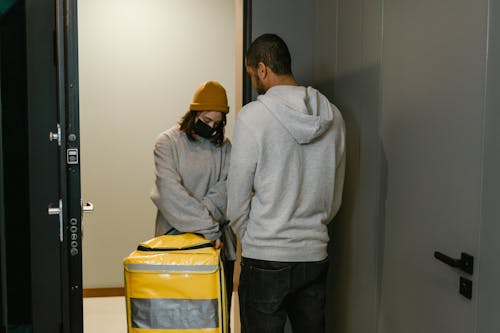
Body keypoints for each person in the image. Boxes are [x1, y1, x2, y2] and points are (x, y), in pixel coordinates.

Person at [227, 34, 346, 333]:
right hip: (314, 254)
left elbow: (237, 199)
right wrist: (311, 228)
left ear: (263, 69)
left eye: (252, 74)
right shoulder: (334, 117)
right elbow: (334, 197)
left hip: (266, 255)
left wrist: (255, 234)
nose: (254, 81)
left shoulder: (253, 117)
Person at [150, 80, 236, 309]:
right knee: (175, 321)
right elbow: (169, 194)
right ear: (194, 113)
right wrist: (207, 227)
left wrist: (194, 219)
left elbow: (227, 193)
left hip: (216, 249)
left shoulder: (226, 148)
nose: (211, 127)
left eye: (217, 123)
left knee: (215, 322)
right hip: (174, 247)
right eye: (207, 120)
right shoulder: (167, 143)